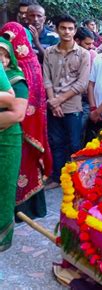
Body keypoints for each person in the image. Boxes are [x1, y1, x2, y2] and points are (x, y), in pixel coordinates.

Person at [0, 22, 53, 219]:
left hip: (26, 129)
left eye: (11, 39)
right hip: (7, 128)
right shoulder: (5, 67)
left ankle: (28, 209)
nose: (8, 44)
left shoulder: (30, 65)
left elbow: (32, 102)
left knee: (26, 167)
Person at [43, 15, 90, 189]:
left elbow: (82, 84)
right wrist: (53, 103)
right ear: (57, 29)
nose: (67, 32)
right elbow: (46, 79)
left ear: (75, 30)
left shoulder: (83, 54)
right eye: (63, 28)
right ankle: (57, 177)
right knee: (56, 142)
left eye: (70, 28)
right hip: (53, 105)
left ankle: (75, 181)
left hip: (73, 107)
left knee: (75, 144)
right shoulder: (49, 52)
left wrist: (58, 101)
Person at [0, 63, 27, 252]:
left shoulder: (17, 80)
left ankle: (3, 236)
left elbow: (17, 114)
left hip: (8, 140)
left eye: (4, 54)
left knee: (4, 186)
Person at [74, 27, 97, 135]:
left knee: (78, 132)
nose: (91, 47)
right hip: (69, 99)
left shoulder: (92, 55)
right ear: (77, 41)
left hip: (85, 99)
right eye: (87, 44)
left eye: (91, 43)